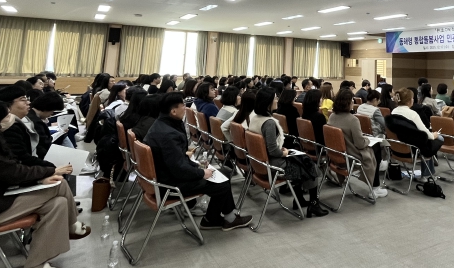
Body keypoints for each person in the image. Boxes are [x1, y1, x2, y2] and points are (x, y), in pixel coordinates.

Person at [0, 101, 90, 268]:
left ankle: (37, 262)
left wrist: (40, 179)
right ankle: (71, 225)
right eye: (6, 115)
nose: (10, 118)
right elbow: (14, 172)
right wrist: (49, 171)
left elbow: (11, 170)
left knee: (59, 204)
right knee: (59, 184)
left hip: (3, 195)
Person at [143, 92, 252, 231]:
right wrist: (201, 173)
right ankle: (215, 219)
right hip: (170, 184)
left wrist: (196, 165)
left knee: (224, 172)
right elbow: (178, 168)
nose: (185, 107)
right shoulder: (168, 134)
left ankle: (223, 216)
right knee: (222, 183)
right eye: (182, 105)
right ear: (173, 111)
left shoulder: (162, 124)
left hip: (167, 176)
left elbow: (176, 160)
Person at [248, 87, 328, 217]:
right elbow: (272, 150)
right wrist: (283, 153)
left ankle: (299, 199)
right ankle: (314, 204)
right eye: (275, 98)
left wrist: (282, 150)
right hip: (274, 164)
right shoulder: (269, 123)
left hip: (260, 163)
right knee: (309, 166)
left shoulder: (255, 118)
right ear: (268, 102)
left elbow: (268, 146)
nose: (277, 100)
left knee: (303, 160)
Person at [328, 89, 387, 198]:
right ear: (348, 103)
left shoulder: (332, 116)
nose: (353, 102)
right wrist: (367, 140)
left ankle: (377, 179)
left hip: (336, 155)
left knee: (374, 148)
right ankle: (375, 187)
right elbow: (360, 144)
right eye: (352, 100)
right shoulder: (352, 120)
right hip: (350, 156)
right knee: (376, 148)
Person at [0, 86, 55, 168]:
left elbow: (37, 146)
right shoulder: (7, 127)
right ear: (7, 105)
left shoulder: (25, 120)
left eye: (27, 99)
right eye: (23, 100)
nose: (28, 102)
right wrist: (52, 167)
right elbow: (22, 158)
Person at [390, 88, 444, 178]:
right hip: (412, 149)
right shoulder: (412, 114)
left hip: (398, 147)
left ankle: (428, 173)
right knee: (438, 139)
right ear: (409, 101)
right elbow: (427, 134)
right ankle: (426, 175)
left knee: (426, 141)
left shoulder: (393, 111)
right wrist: (434, 135)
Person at [27, 92, 68, 159]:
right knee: (64, 136)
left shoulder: (32, 115)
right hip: (41, 154)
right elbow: (45, 144)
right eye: (52, 111)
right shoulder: (36, 122)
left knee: (63, 134)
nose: (51, 114)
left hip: (42, 149)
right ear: (47, 108)